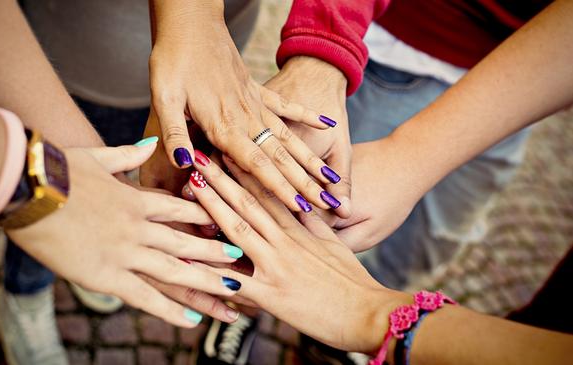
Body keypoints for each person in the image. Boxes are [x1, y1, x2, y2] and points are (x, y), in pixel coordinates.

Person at [0, 1, 337, 363]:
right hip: (73, 48)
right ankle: (25, 296)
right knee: (66, 207)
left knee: (110, 180)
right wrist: (34, 182)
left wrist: (197, 21)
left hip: (188, 55)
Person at [184, 0, 573, 363]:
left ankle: (335, 333)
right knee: (280, 217)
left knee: (422, 244)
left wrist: (376, 320)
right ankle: (240, 308)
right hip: (404, 48)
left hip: (523, 86)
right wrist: (324, 52)